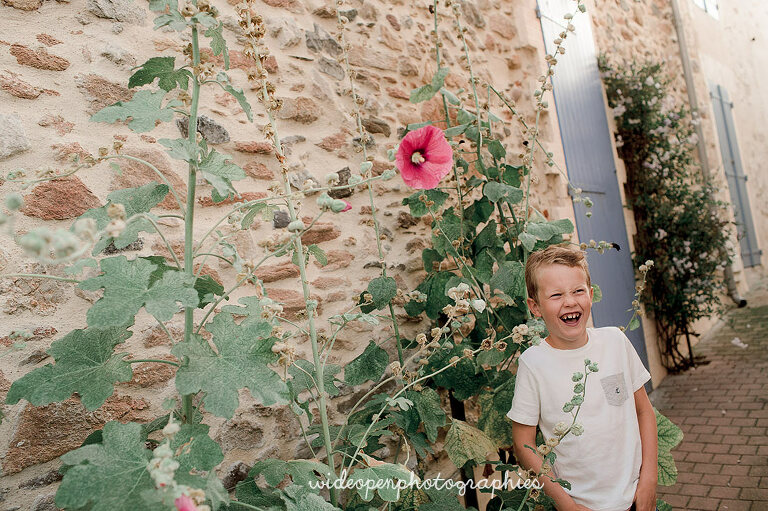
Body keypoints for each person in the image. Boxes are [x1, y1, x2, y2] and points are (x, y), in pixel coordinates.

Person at [507, 245, 658, 511]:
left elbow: (644, 411)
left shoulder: (616, 343)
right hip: (581, 506)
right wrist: (566, 505)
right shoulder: (533, 364)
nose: (570, 301)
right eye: (556, 295)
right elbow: (524, 443)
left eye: (578, 291)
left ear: (590, 294)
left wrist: (649, 479)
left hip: (635, 496)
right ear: (535, 307)